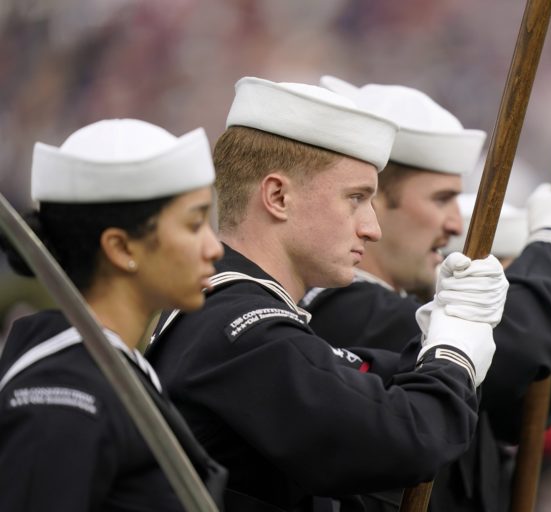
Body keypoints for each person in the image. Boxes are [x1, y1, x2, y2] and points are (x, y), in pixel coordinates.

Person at [145, 76, 510, 512]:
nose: (371, 229)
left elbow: (362, 383)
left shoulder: (234, 314)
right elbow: (404, 441)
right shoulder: (242, 331)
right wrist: (453, 354)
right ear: (278, 196)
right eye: (355, 198)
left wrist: (433, 342)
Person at [301, 77, 551, 512]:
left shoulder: (397, 307)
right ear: (373, 202)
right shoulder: (349, 309)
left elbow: (515, 408)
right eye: (441, 199)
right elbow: (513, 353)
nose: (454, 224)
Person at [0, 119, 228, 510]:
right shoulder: (64, 396)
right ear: (121, 248)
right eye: (194, 225)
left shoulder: (110, 367)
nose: (214, 248)